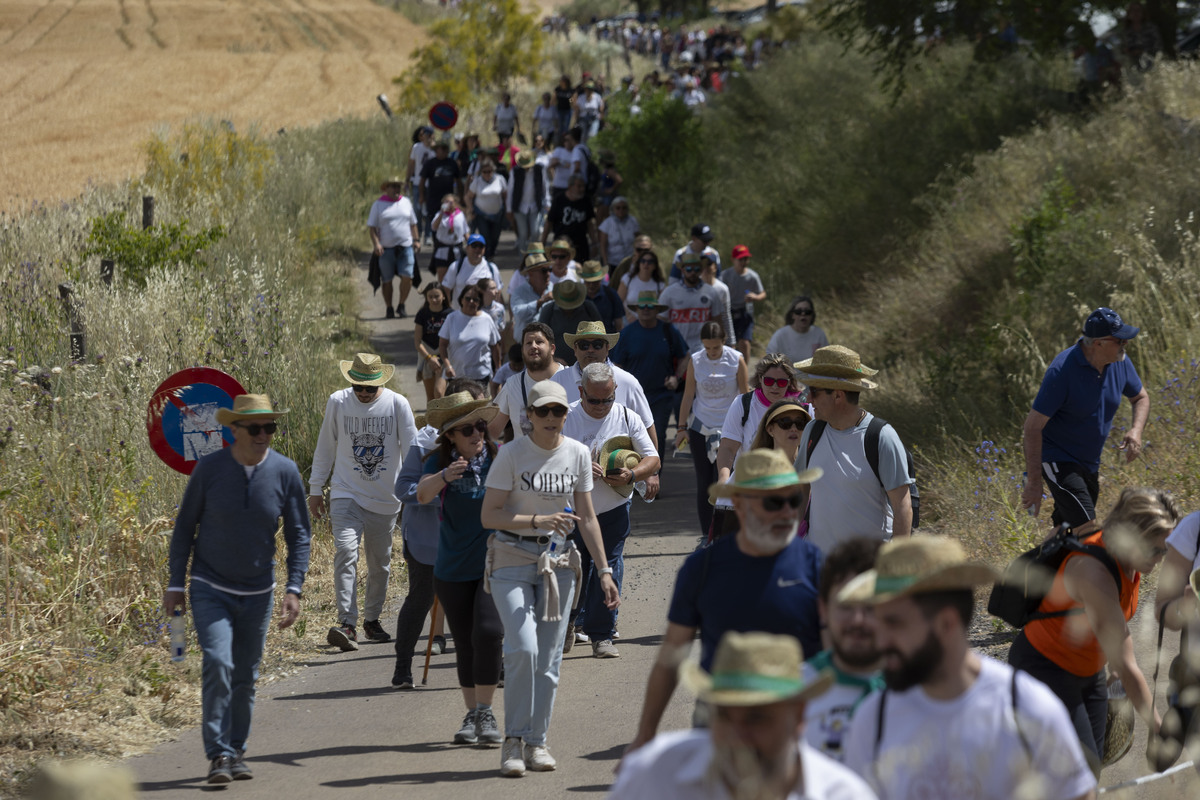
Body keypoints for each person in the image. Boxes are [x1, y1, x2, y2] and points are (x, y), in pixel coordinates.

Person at [841, 536, 1097, 800]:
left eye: (894, 623)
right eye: (878, 623)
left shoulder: (1026, 709)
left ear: (946, 624)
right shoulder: (874, 719)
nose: (880, 641)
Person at [625, 450, 825, 755]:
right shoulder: (702, 569)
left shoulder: (816, 566)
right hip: (721, 717)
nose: (788, 512)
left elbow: (836, 651)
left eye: (794, 500)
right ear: (741, 506)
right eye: (774, 501)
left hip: (798, 716)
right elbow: (671, 656)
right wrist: (645, 734)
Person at [164, 394, 310, 784]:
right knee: (218, 662)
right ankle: (217, 754)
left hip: (259, 591)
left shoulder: (285, 471)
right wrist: (175, 583)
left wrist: (294, 588)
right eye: (255, 428)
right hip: (210, 585)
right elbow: (184, 529)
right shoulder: (209, 470)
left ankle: (236, 749)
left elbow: (299, 534)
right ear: (233, 431)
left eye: (270, 427)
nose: (264, 435)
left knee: (246, 675)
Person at [479, 380, 620, 777]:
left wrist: (605, 571)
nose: (552, 418)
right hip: (510, 556)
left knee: (549, 660)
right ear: (529, 416)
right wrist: (538, 520)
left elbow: (588, 518)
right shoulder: (510, 454)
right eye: (543, 411)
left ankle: (537, 742)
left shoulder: (576, 454)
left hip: (559, 565)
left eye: (559, 411)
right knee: (522, 648)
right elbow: (489, 515)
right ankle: (513, 740)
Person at [1008, 487, 1178, 768]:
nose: (1160, 557)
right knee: (1077, 771)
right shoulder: (1094, 573)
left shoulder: (1130, 559)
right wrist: (1158, 727)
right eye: (1155, 549)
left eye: (1166, 549)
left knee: (1091, 768)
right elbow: (1126, 664)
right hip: (1044, 668)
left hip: (1087, 672)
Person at [614, 631, 877, 800]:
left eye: (757, 718)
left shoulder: (843, 793)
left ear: (798, 717)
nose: (737, 737)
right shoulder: (654, 774)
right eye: (724, 716)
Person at [308, 353, 418, 651]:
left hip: (385, 498)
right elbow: (325, 446)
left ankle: (371, 620)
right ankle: (347, 622)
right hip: (346, 492)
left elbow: (411, 452)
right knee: (345, 551)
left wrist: (415, 495)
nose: (364, 394)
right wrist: (316, 487)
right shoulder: (338, 402)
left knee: (380, 564)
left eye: (369, 388)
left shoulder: (397, 405)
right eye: (358, 387)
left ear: (380, 381)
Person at [416, 389, 505, 746]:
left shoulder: (500, 457)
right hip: (452, 569)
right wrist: (444, 477)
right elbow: (420, 495)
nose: (475, 434)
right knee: (466, 643)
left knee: (488, 633)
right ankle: (473, 714)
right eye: (466, 429)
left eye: (480, 426)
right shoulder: (437, 461)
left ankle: (485, 710)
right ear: (450, 435)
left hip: (494, 565)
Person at [563, 363, 660, 658]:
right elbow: (543, 462)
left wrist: (633, 476)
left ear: (615, 391)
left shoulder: (627, 416)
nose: (603, 406)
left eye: (608, 399)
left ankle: (601, 635)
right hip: (572, 512)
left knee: (607, 569)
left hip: (614, 507)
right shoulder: (565, 417)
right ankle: (566, 623)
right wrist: (578, 469)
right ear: (581, 391)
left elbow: (652, 458)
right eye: (594, 400)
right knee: (573, 570)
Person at [1022, 307, 1149, 530]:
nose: (1125, 345)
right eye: (1119, 340)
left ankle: (1027, 567)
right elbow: (1032, 428)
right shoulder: (1061, 372)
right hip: (1058, 457)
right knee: (1088, 528)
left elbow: (1140, 397)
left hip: (1089, 463)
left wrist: (1136, 430)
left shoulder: (1120, 362)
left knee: (1065, 533)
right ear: (1099, 343)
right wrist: (1034, 483)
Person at [795, 346, 913, 554]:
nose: (808, 400)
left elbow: (902, 506)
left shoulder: (881, 437)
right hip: (819, 567)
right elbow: (801, 490)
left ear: (838, 396)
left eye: (813, 391)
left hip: (866, 573)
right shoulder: (813, 430)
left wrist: (895, 568)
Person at [801, 538, 885, 763]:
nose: (857, 620)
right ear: (823, 609)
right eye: (846, 605)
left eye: (870, 606)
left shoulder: (921, 692)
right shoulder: (793, 694)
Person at [675, 321, 747, 536]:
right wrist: (681, 427)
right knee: (704, 482)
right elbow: (688, 395)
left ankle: (727, 532)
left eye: (716, 347)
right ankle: (707, 534)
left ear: (724, 342)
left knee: (727, 481)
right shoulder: (696, 360)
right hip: (701, 426)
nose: (711, 352)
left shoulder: (736, 359)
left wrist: (748, 426)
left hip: (729, 428)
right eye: (707, 348)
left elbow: (745, 394)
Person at [552, 320, 659, 457]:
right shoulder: (557, 382)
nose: (590, 350)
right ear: (575, 349)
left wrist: (652, 472)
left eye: (597, 345)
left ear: (607, 348)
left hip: (622, 473)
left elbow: (647, 426)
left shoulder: (628, 382)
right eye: (584, 345)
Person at [612, 291, 690, 456]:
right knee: (631, 439)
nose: (645, 309)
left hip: (660, 396)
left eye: (650, 306)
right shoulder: (626, 334)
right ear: (636, 309)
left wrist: (676, 378)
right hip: (632, 397)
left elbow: (685, 356)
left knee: (657, 437)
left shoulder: (668, 331)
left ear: (657, 310)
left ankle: (655, 477)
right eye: (642, 306)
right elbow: (616, 365)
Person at [491, 322, 564, 440]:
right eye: (528, 343)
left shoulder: (572, 379)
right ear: (523, 350)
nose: (533, 346)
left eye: (539, 342)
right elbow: (492, 431)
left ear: (552, 349)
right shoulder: (512, 385)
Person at [659, 252, 735, 354]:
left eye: (697, 269)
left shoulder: (712, 292)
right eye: (689, 269)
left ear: (701, 270)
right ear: (682, 270)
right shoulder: (669, 293)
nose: (693, 273)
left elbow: (718, 322)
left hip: (704, 349)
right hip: (677, 349)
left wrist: (722, 344)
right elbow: (660, 321)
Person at [367, 176, 420, 320]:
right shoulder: (378, 205)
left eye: (398, 186)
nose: (397, 189)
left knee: (408, 277)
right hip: (386, 249)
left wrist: (416, 240)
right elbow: (372, 228)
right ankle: (389, 307)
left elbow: (413, 223)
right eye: (393, 186)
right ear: (386, 189)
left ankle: (401, 305)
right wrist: (376, 244)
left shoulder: (406, 202)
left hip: (405, 246)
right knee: (387, 280)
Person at [439, 285, 502, 386]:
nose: (471, 302)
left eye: (475, 299)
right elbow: (442, 345)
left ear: (480, 302)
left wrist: (498, 369)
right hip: (457, 375)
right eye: (468, 298)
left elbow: (495, 346)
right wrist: (447, 366)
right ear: (461, 300)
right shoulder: (452, 318)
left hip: (481, 375)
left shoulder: (486, 319)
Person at [537, 280, 602, 367]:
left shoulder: (589, 308)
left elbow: (601, 335)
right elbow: (540, 340)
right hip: (556, 366)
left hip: (587, 364)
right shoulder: (549, 310)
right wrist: (552, 359)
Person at [721, 244, 765, 362]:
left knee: (744, 342)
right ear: (733, 260)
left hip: (745, 312)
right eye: (740, 259)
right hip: (728, 312)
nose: (743, 262)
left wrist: (755, 297)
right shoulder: (725, 275)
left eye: (746, 259)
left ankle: (744, 370)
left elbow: (762, 293)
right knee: (728, 342)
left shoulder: (752, 276)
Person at [543, 175, 598, 261]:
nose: (582, 189)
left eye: (583, 186)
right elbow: (549, 222)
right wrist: (543, 242)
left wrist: (595, 243)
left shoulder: (586, 201)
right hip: (562, 246)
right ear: (570, 186)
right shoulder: (559, 199)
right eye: (579, 186)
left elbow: (590, 223)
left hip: (581, 246)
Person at [441, 234, 502, 311]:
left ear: (484, 249)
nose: (477, 249)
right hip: (460, 314)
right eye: (474, 246)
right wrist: (449, 309)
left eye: (481, 246)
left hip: (484, 315)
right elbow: (446, 289)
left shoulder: (492, 268)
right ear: (467, 248)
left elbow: (498, 293)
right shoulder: (455, 267)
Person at [767, 296, 829, 369]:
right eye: (798, 312)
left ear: (812, 315)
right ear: (792, 315)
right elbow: (769, 360)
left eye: (807, 312)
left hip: (813, 378)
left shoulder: (819, 334)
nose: (803, 314)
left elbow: (826, 361)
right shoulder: (780, 335)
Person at [419, 139, 463, 241]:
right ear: (436, 150)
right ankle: (437, 244)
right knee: (435, 222)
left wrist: (460, 195)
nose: (443, 151)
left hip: (449, 198)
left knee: (450, 220)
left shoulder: (452, 163)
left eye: (445, 149)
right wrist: (422, 196)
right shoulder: (430, 164)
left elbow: (459, 181)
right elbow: (422, 181)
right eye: (441, 149)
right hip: (434, 199)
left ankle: (451, 242)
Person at [413, 284, 451, 402]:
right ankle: (431, 420)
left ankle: (445, 419)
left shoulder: (450, 314)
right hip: (428, 358)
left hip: (446, 357)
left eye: (437, 296)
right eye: (430, 297)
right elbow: (417, 341)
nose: (434, 300)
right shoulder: (422, 314)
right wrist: (429, 358)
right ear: (426, 298)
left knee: (440, 393)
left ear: (443, 296)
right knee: (431, 398)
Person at [465, 159, 508, 261]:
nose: (487, 174)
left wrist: (507, 209)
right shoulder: (477, 181)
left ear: (493, 171)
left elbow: (505, 195)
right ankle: (486, 258)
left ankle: (491, 254)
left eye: (489, 171)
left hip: (497, 213)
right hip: (481, 215)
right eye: (485, 172)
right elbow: (467, 197)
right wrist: (470, 209)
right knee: (486, 237)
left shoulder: (500, 179)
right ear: (481, 172)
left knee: (495, 238)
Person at [507, 150, 547, 257]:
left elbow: (544, 187)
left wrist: (547, 202)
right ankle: (523, 258)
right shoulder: (515, 171)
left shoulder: (539, 170)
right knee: (523, 234)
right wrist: (509, 209)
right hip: (520, 206)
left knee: (536, 231)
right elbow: (510, 191)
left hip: (535, 205)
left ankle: (533, 255)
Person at [427, 194, 469, 286]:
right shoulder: (439, 214)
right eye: (446, 202)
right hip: (442, 248)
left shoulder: (460, 215)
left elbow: (466, 232)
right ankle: (444, 298)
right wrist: (442, 213)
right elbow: (434, 227)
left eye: (450, 202)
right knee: (442, 277)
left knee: (458, 276)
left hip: (457, 248)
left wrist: (470, 245)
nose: (448, 204)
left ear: (455, 203)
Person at [510, 253, 554, 334]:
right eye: (544, 271)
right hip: (524, 345)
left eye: (549, 270)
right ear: (530, 273)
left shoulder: (553, 288)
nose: (548, 274)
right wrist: (540, 302)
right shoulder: (519, 292)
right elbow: (519, 314)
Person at [617, 248, 666, 322]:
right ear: (638, 264)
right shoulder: (627, 279)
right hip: (628, 320)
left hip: (651, 322)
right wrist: (629, 316)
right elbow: (618, 302)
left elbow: (662, 307)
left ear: (655, 266)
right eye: (643, 261)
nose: (646, 264)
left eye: (650, 262)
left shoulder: (660, 284)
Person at [579, 260, 624, 332]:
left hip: (607, 339)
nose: (591, 285)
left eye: (595, 282)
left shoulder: (611, 294)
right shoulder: (577, 296)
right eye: (588, 282)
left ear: (600, 279)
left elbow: (619, 324)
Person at [598, 197, 638, 270]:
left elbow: (638, 240)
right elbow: (603, 245)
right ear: (613, 209)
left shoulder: (633, 221)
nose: (621, 210)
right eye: (618, 208)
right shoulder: (607, 223)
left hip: (630, 261)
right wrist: (605, 262)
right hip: (612, 262)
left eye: (624, 208)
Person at [476, 276, 508, 350]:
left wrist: (502, 348)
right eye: (492, 288)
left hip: (495, 347)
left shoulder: (500, 308)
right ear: (481, 291)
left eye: (496, 288)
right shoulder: (475, 309)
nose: (496, 291)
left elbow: (501, 330)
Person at [554, 75, 576, 144]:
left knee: (566, 127)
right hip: (559, 110)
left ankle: (566, 142)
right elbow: (554, 99)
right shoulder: (558, 89)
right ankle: (560, 142)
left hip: (567, 111)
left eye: (562, 81)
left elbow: (571, 100)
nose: (561, 82)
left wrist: (570, 101)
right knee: (560, 127)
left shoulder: (570, 90)